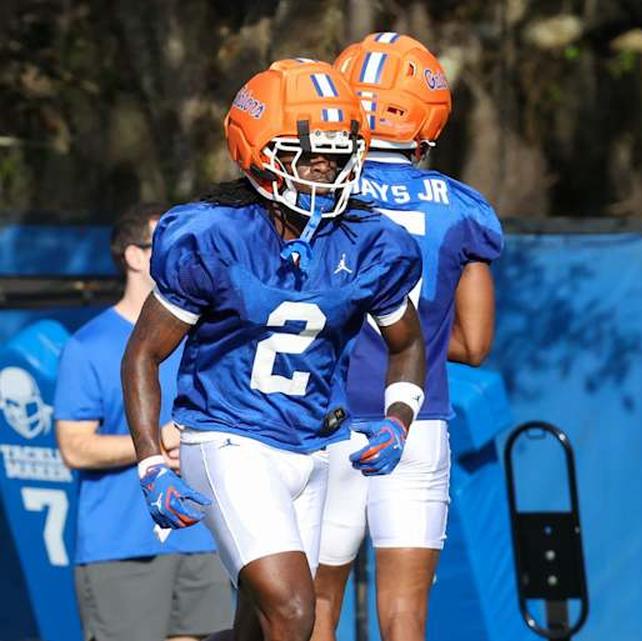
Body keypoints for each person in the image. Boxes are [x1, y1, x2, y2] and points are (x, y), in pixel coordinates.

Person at [122, 58, 428, 641]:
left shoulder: (371, 243)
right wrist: (149, 463)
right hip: (230, 437)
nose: (328, 169)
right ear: (258, 151)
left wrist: (399, 420)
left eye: (339, 155)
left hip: (318, 446)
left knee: (262, 627)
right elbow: (142, 354)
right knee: (294, 611)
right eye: (311, 154)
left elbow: (407, 342)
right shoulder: (214, 237)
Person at [313, 33, 503, 641]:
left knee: (312, 606)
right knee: (403, 616)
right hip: (415, 418)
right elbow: (474, 343)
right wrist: (411, 328)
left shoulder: (312, 195)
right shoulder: (461, 205)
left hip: (322, 415)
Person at [55, 204, 231, 641]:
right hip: (121, 549)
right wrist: (155, 444)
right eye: (168, 247)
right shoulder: (88, 346)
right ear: (135, 257)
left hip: (205, 538)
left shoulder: (206, 337)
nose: (184, 259)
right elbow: (74, 448)